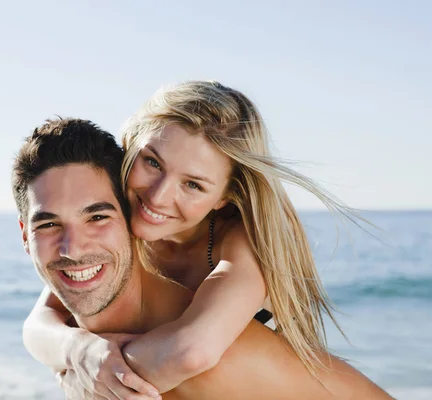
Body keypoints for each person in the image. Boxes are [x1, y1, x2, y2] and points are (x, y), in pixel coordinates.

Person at [23, 81, 362, 399]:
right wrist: (79, 351)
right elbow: (39, 325)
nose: (158, 196)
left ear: (224, 196)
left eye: (193, 185)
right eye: (153, 162)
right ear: (131, 147)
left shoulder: (243, 243)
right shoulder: (119, 217)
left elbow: (190, 353)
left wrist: (89, 379)